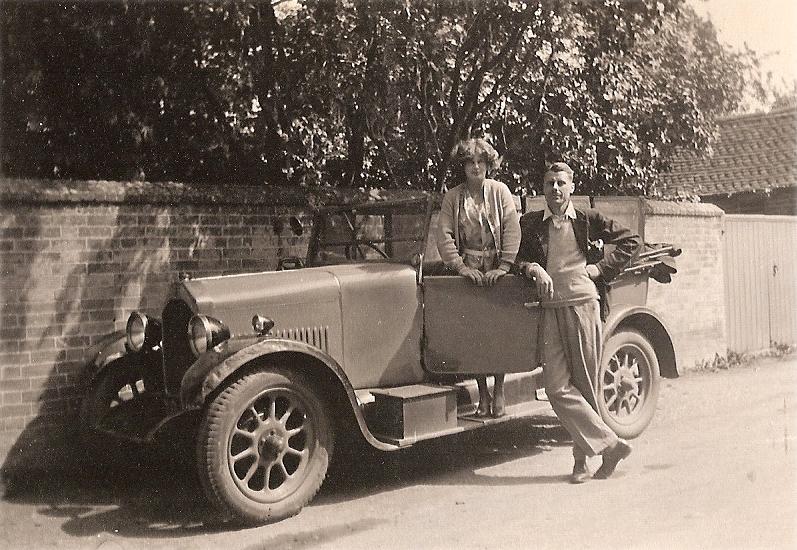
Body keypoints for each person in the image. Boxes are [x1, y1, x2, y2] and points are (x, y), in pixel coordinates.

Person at [515, 162, 642, 483]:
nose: (555, 189)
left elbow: (632, 241)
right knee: (556, 387)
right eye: (548, 184)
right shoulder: (531, 224)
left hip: (584, 305)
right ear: (542, 189)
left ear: (571, 187)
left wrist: (600, 270)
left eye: (560, 183)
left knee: (585, 385)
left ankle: (581, 462)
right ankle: (610, 445)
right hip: (550, 308)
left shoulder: (588, 220)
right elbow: (513, 258)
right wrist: (533, 268)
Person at [437, 138, 521, 417]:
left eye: (480, 162)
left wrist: (505, 266)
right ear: (463, 166)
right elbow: (445, 235)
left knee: (498, 333)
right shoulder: (453, 197)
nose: (475, 167)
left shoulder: (500, 192)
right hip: (469, 273)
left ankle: (499, 390)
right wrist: (462, 268)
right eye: (470, 162)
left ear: (488, 165)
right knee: (474, 334)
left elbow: (511, 228)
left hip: (496, 271)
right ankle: (481, 394)